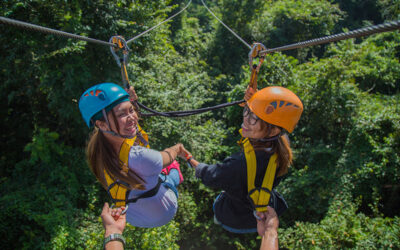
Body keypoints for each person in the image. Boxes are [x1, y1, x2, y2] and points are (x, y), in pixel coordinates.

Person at [183, 86, 303, 233]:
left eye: (254, 118)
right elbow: (272, 117)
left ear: (273, 130)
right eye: (248, 111)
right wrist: (255, 100)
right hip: (264, 206)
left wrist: (188, 157)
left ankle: (220, 223)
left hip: (234, 217)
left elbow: (208, 175)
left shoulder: (237, 165)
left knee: (218, 205)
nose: (246, 119)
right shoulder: (282, 145)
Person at [79, 82, 187, 228]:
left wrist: (132, 102)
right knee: (173, 170)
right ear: (102, 124)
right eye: (122, 114)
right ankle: (174, 175)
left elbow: (128, 127)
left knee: (154, 170)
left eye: (131, 110)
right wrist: (177, 148)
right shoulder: (141, 157)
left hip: (134, 216)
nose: (132, 117)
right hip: (165, 210)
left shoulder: (99, 147)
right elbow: (168, 157)